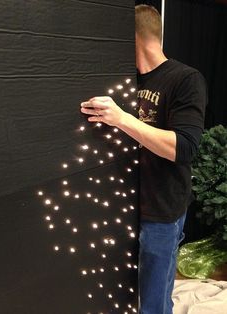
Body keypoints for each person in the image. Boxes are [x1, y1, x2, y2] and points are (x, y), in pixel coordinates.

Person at [80, 4, 207, 314]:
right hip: (124, 205)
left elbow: (184, 147)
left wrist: (122, 118)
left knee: (152, 300)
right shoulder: (129, 79)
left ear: (132, 37)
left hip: (162, 208)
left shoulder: (186, 79)